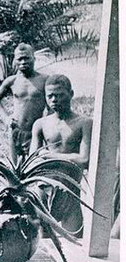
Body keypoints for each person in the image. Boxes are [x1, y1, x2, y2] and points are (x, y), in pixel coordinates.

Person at [29, 74, 92, 236]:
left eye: (59, 95)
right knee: (44, 242)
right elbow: (32, 159)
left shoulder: (84, 123)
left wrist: (49, 156)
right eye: (50, 96)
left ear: (71, 94)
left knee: (75, 241)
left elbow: (84, 159)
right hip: (45, 188)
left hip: (70, 191)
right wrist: (69, 157)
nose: (54, 100)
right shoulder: (41, 124)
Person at [0, 43, 49, 163]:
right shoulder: (12, 81)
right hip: (15, 130)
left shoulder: (45, 80)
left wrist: (46, 125)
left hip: (35, 132)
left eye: (26, 58)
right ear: (15, 61)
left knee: (35, 165)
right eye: (19, 59)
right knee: (15, 168)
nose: (23, 62)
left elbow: (51, 107)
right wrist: (6, 118)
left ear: (34, 58)